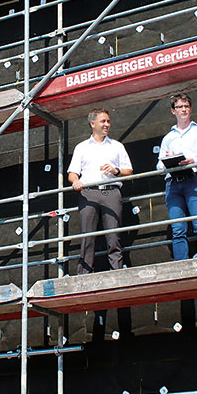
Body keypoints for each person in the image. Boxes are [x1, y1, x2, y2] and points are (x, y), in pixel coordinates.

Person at [68, 109, 133, 274]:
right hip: (88, 193)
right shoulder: (81, 147)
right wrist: (76, 181)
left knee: (113, 236)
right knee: (87, 237)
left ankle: (116, 273)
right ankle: (84, 276)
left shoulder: (117, 146)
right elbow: (72, 173)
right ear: (92, 124)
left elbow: (129, 171)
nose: (107, 125)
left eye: (108, 121)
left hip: (111, 192)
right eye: (103, 121)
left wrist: (116, 170)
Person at [157, 92, 197, 260]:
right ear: (173, 111)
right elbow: (159, 166)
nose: (183, 110)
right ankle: (181, 263)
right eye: (180, 107)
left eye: (186, 106)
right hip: (173, 182)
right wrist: (168, 160)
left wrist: (192, 160)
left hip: (194, 180)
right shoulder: (168, 137)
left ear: (191, 109)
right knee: (178, 229)